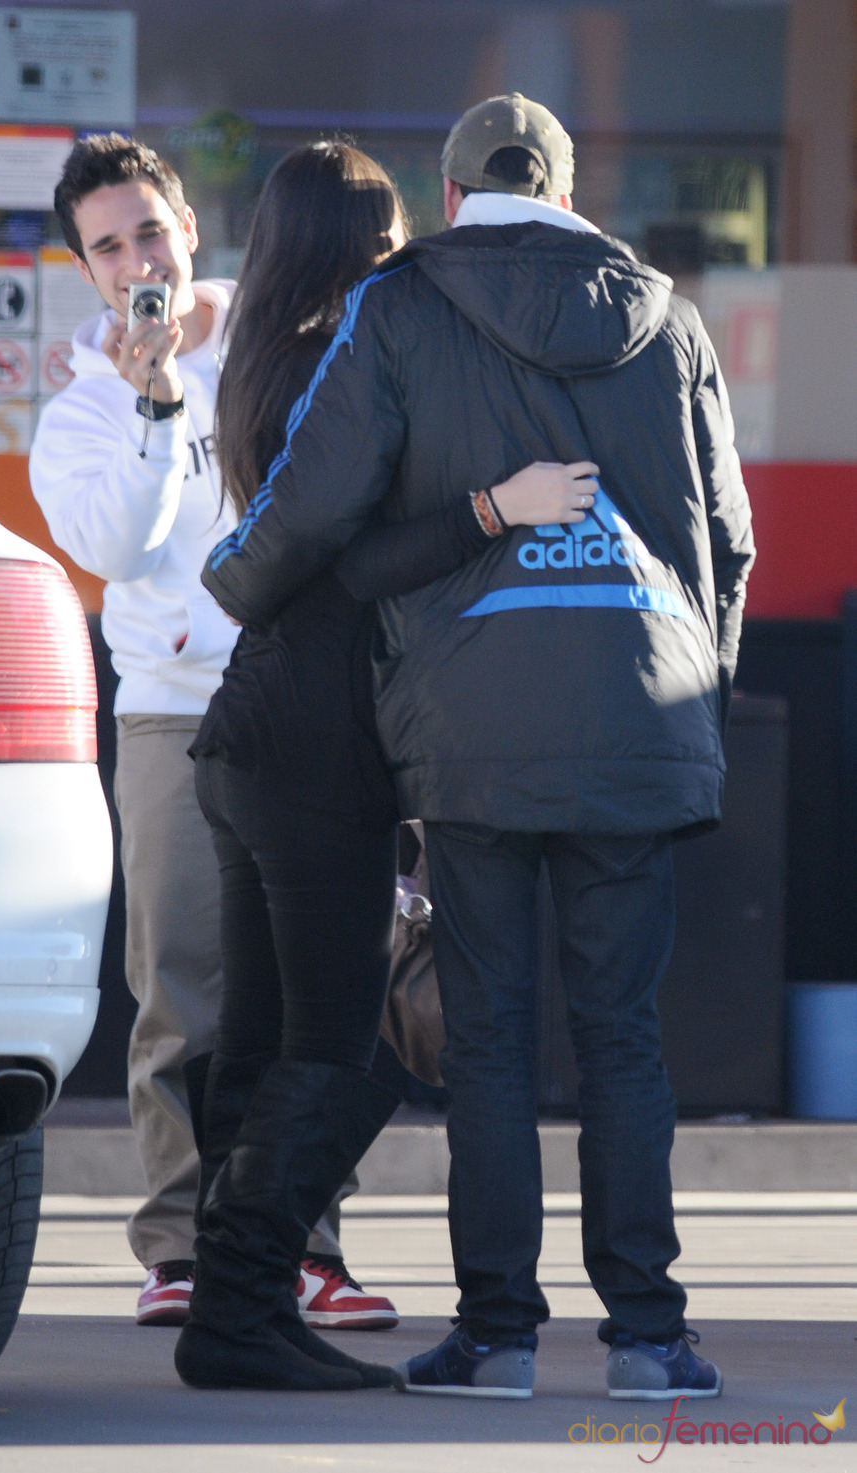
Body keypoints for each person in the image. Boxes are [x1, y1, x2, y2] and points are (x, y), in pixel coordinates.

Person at [196, 97, 755, 1401]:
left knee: (492, 1036)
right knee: (623, 1036)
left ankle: (498, 1335)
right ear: (567, 187)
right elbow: (727, 538)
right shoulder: (669, 318)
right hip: (640, 723)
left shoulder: (401, 308)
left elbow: (312, 503)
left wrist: (232, 579)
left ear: (449, 196)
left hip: (470, 730)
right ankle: (650, 1339)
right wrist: (695, 711)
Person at [173, 139, 598, 1394]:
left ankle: (231, 1309)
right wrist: (492, 508)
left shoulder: (264, 357)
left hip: (252, 732)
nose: (409, 252)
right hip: (312, 743)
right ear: (361, 246)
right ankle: (242, 1302)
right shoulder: (339, 358)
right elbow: (349, 565)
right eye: (392, 234)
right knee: (345, 1045)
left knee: (257, 1042)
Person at [28, 133, 394, 1333]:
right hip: (173, 716)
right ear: (84, 269)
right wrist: (151, 405)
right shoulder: (80, 416)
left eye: (151, 230)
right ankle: (183, 1243)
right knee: (179, 991)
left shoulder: (290, 341)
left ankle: (300, 1244)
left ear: (192, 226)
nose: (139, 258)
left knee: (308, 996)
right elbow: (121, 551)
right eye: (109, 245)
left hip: (303, 700)